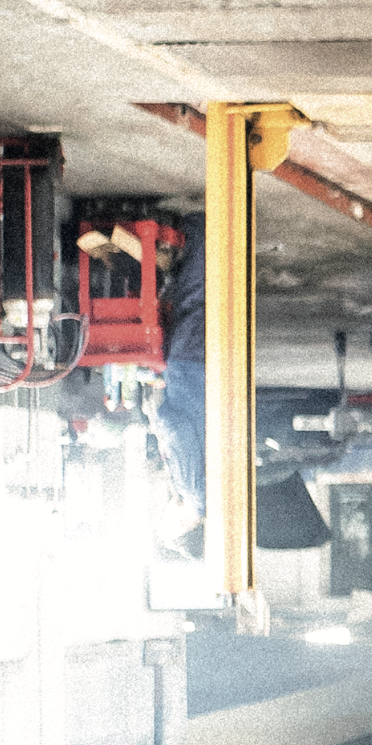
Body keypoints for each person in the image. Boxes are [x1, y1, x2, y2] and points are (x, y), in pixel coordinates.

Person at [149, 210, 206, 557]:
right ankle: (202, 229)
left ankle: (209, 235)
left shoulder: (206, 497)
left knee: (200, 302)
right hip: (190, 376)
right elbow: (178, 431)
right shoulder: (190, 490)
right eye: (167, 524)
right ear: (184, 527)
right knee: (193, 300)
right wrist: (155, 417)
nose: (164, 516)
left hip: (203, 378)